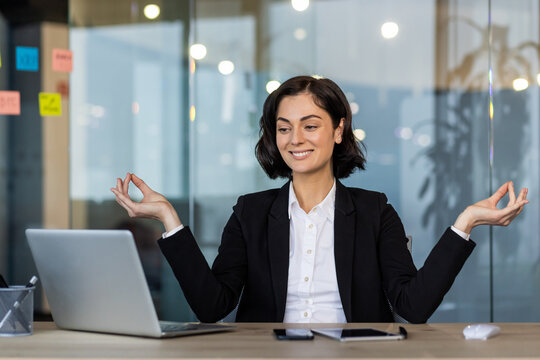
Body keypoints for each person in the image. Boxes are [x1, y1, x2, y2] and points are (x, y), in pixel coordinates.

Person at [111, 75, 528, 324]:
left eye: (311, 125)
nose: (296, 140)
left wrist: (466, 222)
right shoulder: (250, 212)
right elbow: (211, 306)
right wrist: (169, 219)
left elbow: (413, 306)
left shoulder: (374, 211)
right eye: (284, 127)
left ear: (339, 130)